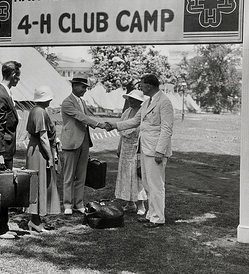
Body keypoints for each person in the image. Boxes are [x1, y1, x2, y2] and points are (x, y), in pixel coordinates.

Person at [107, 74, 174, 228]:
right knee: (147, 183)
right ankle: (151, 214)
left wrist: (160, 151)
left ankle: (158, 218)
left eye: (142, 85)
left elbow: (167, 129)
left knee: (156, 184)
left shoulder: (164, 102)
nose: (141, 88)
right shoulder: (148, 102)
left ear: (149, 86)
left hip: (155, 150)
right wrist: (115, 125)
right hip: (144, 148)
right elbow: (135, 121)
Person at [60, 73, 107, 215]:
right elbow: (81, 117)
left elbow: (87, 116)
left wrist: (102, 122)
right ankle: (67, 204)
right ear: (74, 86)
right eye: (82, 87)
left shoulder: (82, 102)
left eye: (86, 87)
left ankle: (78, 203)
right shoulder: (67, 102)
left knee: (81, 174)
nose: (85, 90)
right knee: (69, 175)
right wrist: (99, 124)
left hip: (84, 142)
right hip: (71, 142)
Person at [0, 60, 21, 239]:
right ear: (13, 75)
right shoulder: (0, 95)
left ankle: (3, 225)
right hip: (3, 150)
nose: (19, 79)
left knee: (5, 188)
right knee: (2, 188)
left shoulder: (5, 93)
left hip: (6, 148)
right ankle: (0, 228)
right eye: (18, 75)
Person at [25, 85, 61, 232]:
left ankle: (36, 219)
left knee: (39, 184)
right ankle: (35, 221)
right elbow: (43, 137)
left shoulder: (35, 110)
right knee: (39, 184)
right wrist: (50, 157)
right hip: (39, 151)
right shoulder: (39, 112)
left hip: (36, 149)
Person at [115, 90, 148, 214]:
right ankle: (130, 203)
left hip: (136, 148)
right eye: (129, 99)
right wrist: (119, 146)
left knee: (137, 175)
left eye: (133, 99)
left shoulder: (142, 114)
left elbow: (142, 134)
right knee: (125, 175)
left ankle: (141, 205)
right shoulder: (126, 112)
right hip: (125, 148)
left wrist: (140, 151)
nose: (130, 101)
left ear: (140, 101)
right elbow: (122, 130)